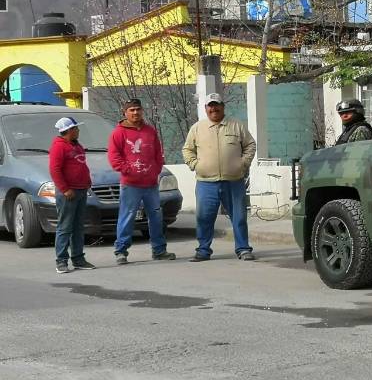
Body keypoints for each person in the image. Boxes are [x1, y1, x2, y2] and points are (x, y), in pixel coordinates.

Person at [182, 93, 256, 263]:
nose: (213, 108)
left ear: (223, 106)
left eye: (217, 105)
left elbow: (250, 144)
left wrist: (243, 163)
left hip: (234, 181)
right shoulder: (197, 128)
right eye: (210, 106)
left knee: (238, 217)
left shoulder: (236, 125)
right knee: (204, 218)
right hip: (206, 182)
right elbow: (187, 150)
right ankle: (203, 250)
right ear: (206, 108)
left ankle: (243, 249)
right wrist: (195, 164)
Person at [107, 98, 176, 266]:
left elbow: (158, 154)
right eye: (132, 110)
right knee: (127, 217)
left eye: (138, 109)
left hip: (151, 184)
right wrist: (128, 170)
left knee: (156, 217)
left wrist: (156, 169)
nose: (135, 112)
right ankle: (121, 251)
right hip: (131, 185)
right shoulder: (118, 133)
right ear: (125, 113)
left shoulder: (150, 131)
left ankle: (159, 250)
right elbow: (114, 157)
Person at [48, 116, 97, 274]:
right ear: (69, 130)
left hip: (81, 190)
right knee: (65, 227)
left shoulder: (77, 146)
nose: (78, 130)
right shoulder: (59, 147)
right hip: (68, 193)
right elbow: (55, 170)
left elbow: (82, 165)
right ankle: (61, 261)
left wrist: (87, 181)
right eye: (76, 128)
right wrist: (64, 189)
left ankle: (78, 258)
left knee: (78, 227)